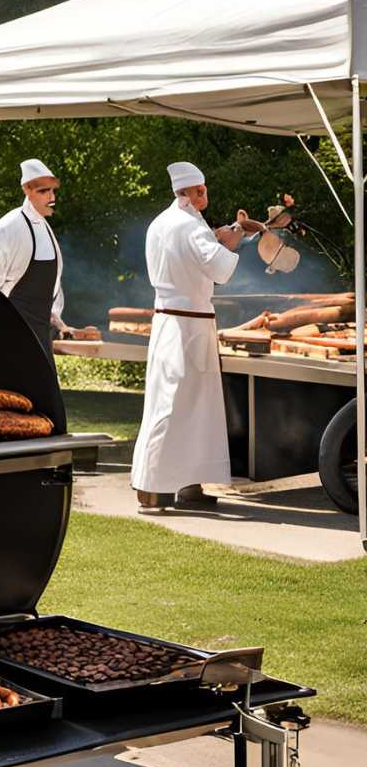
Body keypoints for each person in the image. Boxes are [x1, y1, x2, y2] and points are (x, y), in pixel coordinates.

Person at [131, 161, 247, 512]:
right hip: (189, 328)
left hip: (172, 322)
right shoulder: (188, 225)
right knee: (175, 407)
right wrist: (237, 237)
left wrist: (218, 237)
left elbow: (189, 257)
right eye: (203, 190)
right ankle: (152, 489)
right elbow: (220, 269)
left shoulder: (162, 223)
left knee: (183, 407)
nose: (205, 194)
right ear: (191, 192)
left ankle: (187, 485)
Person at [0, 158, 99, 367]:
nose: (52, 198)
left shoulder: (46, 229)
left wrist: (57, 320)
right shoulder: (6, 229)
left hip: (42, 333)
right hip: (12, 330)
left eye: (53, 192)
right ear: (27, 190)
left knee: (45, 394)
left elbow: (53, 285)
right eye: (44, 192)